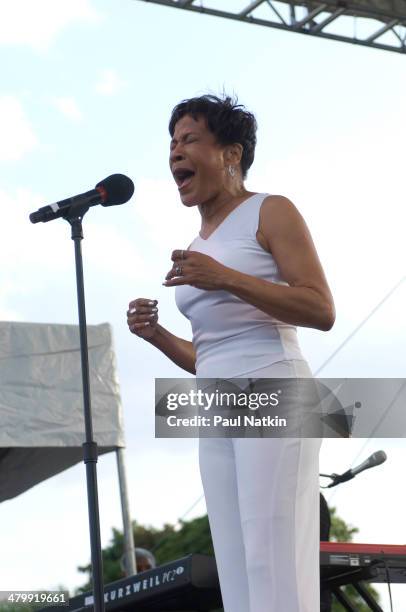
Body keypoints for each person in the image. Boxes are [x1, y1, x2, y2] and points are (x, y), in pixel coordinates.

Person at [127, 94, 335, 612]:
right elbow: (210, 354)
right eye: (172, 142)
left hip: (273, 386)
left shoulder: (270, 210)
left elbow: (319, 307)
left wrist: (222, 276)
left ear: (231, 154)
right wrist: (158, 336)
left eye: (189, 139)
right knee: (237, 566)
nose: (175, 151)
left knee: (273, 558)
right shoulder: (196, 243)